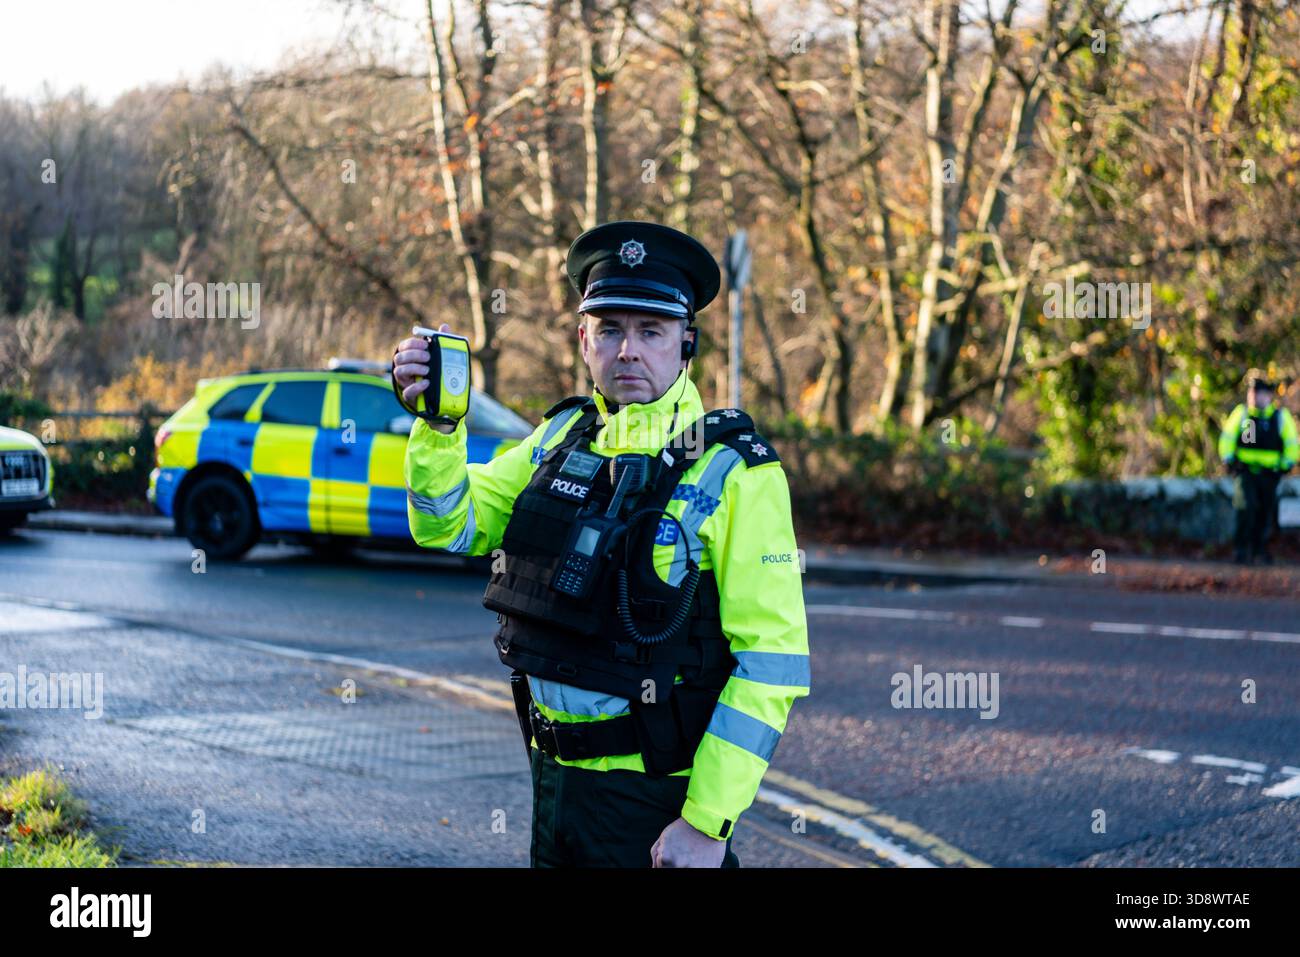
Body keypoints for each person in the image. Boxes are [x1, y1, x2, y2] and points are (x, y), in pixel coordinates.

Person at [392, 221, 810, 867]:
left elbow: (772, 660)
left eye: (651, 331)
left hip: (654, 800)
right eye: (610, 328)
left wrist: (707, 822)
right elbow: (450, 523)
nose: (628, 352)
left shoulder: (734, 469)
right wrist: (440, 426)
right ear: (584, 339)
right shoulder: (561, 437)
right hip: (552, 781)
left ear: (686, 343)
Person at [1218, 371, 1298, 564]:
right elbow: (1228, 441)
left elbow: (1291, 445)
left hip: (1270, 475)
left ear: (1268, 396)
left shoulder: (1279, 417)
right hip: (1246, 473)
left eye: (1258, 393)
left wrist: (1285, 466)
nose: (1253, 397)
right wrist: (1230, 461)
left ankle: (1259, 550)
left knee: (1265, 512)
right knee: (1246, 508)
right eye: (1251, 393)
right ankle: (1242, 550)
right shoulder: (1244, 416)